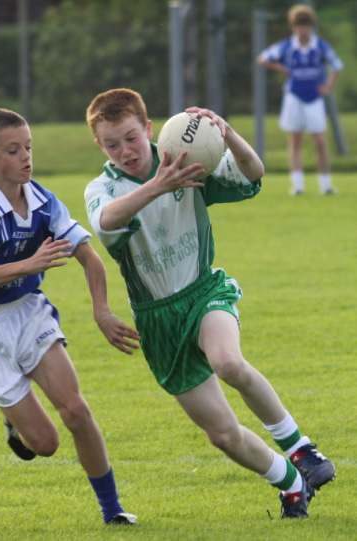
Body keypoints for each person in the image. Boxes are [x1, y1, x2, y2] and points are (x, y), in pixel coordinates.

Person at [84, 88, 335, 519]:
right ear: (99, 145)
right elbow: (106, 220)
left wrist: (228, 135)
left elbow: (254, 174)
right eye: (111, 144)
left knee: (228, 362)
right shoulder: (103, 188)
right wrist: (158, 186)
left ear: (148, 128)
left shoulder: (186, 158)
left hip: (203, 292)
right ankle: (292, 484)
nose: (124, 151)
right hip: (157, 322)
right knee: (221, 434)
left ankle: (301, 449)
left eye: (130, 137)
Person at [0, 107, 140, 525]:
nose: (27, 157)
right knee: (45, 444)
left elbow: (91, 260)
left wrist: (101, 312)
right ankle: (14, 421)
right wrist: (28, 265)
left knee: (76, 411)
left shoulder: (43, 200)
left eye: (29, 147)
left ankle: (113, 511)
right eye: (13, 151)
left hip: (28, 312)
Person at [257, 4, 343, 196]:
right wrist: (282, 68)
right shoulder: (287, 46)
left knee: (320, 141)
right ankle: (297, 185)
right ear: (294, 27)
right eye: (299, 25)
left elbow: (337, 66)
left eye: (306, 25)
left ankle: (326, 185)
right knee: (295, 141)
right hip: (294, 97)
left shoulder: (320, 46)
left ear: (312, 26)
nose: (303, 29)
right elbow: (263, 58)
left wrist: (327, 87)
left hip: (314, 98)